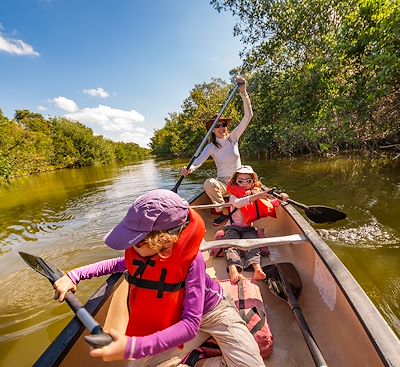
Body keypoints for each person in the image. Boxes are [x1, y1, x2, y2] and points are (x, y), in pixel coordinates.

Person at [53, 189, 264, 367]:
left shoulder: (193, 261)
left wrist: (132, 347)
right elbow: (114, 264)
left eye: (137, 242)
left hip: (212, 312)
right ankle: (200, 359)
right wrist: (73, 276)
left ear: (163, 241)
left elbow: (191, 323)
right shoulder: (140, 254)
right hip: (168, 320)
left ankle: (203, 356)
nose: (131, 247)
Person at [180, 76, 253, 223]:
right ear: (212, 131)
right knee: (209, 183)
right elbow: (198, 161)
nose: (221, 128)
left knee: (250, 177)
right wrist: (189, 169)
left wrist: (244, 93)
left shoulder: (234, 137)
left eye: (223, 125)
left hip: (239, 181)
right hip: (224, 184)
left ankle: (236, 208)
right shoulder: (211, 147)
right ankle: (225, 212)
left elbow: (248, 116)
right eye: (217, 126)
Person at [222, 166, 289, 283]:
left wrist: (281, 199)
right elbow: (238, 204)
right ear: (234, 182)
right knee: (231, 246)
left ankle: (257, 268)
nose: (244, 183)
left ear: (253, 182)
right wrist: (257, 196)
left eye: (248, 181)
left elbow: (270, 204)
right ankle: (233, 267)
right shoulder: (234, 196)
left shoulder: (256, 194)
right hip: (232, 227)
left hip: (248, 228)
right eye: (240, 181)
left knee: (253, 245)